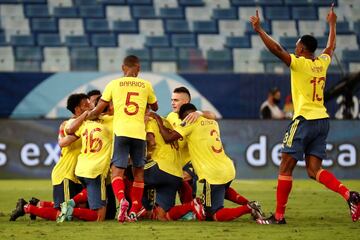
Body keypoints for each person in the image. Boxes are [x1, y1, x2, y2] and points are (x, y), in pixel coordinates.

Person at [250, 4, 360, 224]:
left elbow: (276, 50)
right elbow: (331, 46)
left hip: (304, 120)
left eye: (297, 45)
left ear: (302, 49)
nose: (295, 47)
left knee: (285, 166)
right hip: (322, 120)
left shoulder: (298, 64)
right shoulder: (322, 63)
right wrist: (332, 23)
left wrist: (260, 30)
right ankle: (351, 195)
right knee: (313, 170)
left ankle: (279, 217)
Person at [149, 103, 264, 221]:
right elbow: (212, 115)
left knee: (214, 214)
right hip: (228, 167)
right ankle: (251, 204)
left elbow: (168, 138)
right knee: (220, 191)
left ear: (185, 117)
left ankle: (248, 208)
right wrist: (200, 113)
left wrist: (157, 119)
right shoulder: (213, 123)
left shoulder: (189, 123)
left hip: (213, 173)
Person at [86, 55, 158, 222]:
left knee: (117, 172)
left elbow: (99, 109)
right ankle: (134, 209)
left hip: (121, 132)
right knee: (138, 173)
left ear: (123, 68)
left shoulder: (113, 84)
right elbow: (155, 106)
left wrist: (88, 116)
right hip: (139, 133)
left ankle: (122, 200)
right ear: (138, 68)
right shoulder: (146, 85)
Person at [9, 93, 90, 221]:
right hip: (66, 174)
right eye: (86, 105)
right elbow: (64, 138)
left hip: (77, 175)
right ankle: (26, 208)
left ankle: (38, 204)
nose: (90, 107)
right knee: (65, 215)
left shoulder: (86, 124)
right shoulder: (69, 124)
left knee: (80, 212)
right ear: (77, 109)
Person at [141, 114, 205, 221]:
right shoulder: (167, 122)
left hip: (160, 167)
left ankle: (135, 209)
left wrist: (142, 157)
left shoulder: (149, 120)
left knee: (127, 171)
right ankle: (191, 206)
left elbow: (151, 142)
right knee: (161, 216)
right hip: (175, 174)